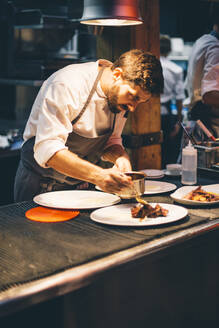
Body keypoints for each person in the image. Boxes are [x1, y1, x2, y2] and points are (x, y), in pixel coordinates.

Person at [14, 49, 164, 202]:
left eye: (140, 102)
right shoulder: (67, 84)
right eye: (133, 97)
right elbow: (48, 150)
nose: (133, 108)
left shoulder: (120, 99)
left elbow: (111, 141)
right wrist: (98, 176)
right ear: (117, 75)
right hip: (40, 185)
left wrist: (120, 157)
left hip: (79, 188)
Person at [184, 9, 219, 141]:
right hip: (209, 127)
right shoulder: (215, 48)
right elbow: (209, 95)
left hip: (196, 122)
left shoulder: (203, 40)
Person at [160, 35, 185, 167]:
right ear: (169, 50)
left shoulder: (149, 66)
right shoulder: (176, 69)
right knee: (167, 152)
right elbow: (180, 97)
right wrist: (179, 122)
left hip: (145, 116)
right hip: (166, 116)